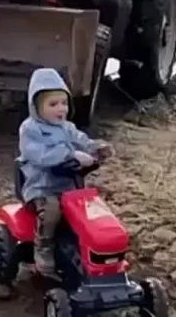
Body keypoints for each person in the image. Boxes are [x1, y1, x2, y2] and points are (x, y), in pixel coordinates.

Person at [17, 67, 114, 277]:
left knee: (90, 210)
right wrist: (70, 155)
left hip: (68, 187)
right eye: (52, 104)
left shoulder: (67, 127)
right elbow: (40, 155)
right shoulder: (30, 129)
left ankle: (93, 251)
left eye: (63, 103)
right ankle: (43, 247)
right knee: (52, 211)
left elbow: (81, 140)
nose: (60, 109)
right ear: (36, 106)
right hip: (41, 187)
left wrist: (96, 149)